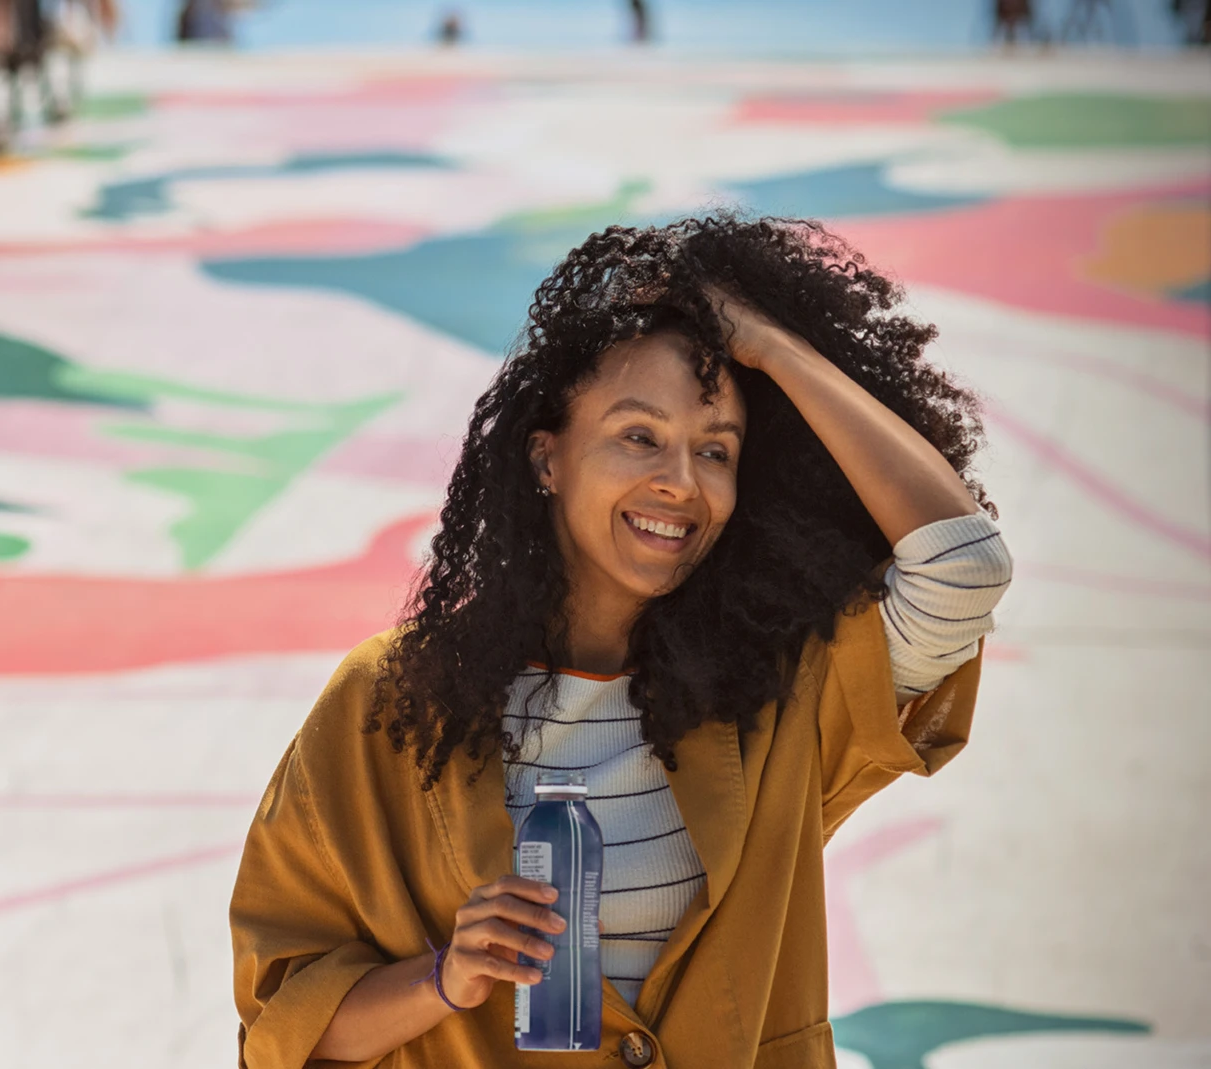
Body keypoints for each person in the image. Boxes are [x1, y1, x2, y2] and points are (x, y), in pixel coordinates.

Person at [230, 215, 1010, 1068]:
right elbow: (283, 1029)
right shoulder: (391, 702)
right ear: (547, 457)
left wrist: (774, 351)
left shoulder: (773, 693)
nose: (680, 482)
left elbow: (962, 566)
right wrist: (444, 979)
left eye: (716, 449)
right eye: (639, 436)